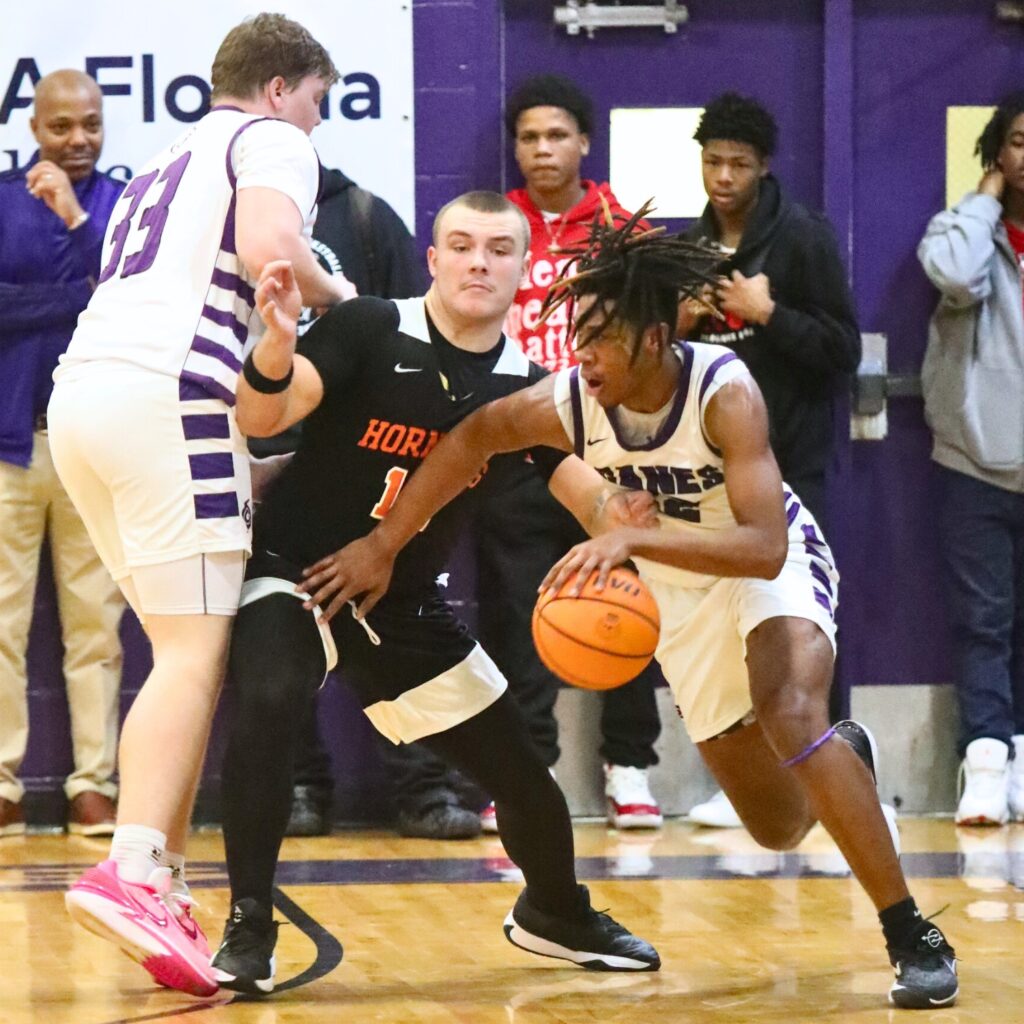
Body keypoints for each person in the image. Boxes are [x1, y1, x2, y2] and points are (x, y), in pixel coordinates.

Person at [315, 212, 959, 1011]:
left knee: (790, 709)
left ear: (654, 339)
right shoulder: (570, 400)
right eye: (576, 336)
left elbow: (762, 547)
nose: (581, 355)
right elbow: (469, 441)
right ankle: (843, 760)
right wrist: (384, 544)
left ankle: (912, 935)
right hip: (678, 594)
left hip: (767, 562)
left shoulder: (724, 392)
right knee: (777, 827)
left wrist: (629, 541)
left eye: (600, 339)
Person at [210, 191, 658, 994]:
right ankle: (250, 920)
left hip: (403, 602)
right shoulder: (370, 326)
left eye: (498, 249)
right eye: (461, 245)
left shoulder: (527, 385)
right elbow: (266, 411)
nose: (478, 262)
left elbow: (583, 491)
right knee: (269, 696)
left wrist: (624, 518)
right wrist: (275, 348)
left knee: (523, 774)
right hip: (300, 570)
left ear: (524, 267)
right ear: (434, 259)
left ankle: (556, 910)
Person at [47, 14, 352, 997]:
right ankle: (135, 868)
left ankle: (159, 879)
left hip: (83, 400)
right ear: (280, 88)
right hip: (171, 401)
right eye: (316, 102)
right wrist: (342, 297)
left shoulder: (156, 166)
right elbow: (270, 245)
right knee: (192, 653)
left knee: (178, 651)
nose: (317, 124)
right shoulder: (270, 140)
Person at [263, 170, 480, 841]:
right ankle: (299, 786)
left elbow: (415, 328)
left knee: (395, 620)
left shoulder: (362, 214)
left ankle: (423, 789)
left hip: (366, 456)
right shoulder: (225, 219)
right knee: (279, 637)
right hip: (268, 448)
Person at [483, 72, 663, 832]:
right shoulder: (496, 228)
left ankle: (631, 767)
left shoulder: (624, 228)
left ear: (585, 142)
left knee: (627, 602)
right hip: (522, 450)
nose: (542, 149)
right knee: (520, 616)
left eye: (556, 135)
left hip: (612, 451)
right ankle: (531, 772)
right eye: (528, 137)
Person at [681, 92, 861, 828]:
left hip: (792, 467)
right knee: (731, 632)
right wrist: (679, 321)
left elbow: (842, 351)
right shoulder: (688, 246)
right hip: (711, 474)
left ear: (763, 167)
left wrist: (768, 314)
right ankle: (756, 785)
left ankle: (836, 776)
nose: (723, 177)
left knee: (802, 625)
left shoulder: (803, 238)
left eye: (738, 164)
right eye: (712, 162)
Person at [0, 70, 125, 838]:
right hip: (9, 445)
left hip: (95, 448)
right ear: (33, 128)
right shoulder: (2, 200)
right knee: (1, 626)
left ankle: (94, 785)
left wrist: (79, 226)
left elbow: (128, 302)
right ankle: (2, 786)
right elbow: (94, 299)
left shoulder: (124, 205)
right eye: (61, 126)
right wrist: (79, 296)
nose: (78, 140)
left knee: (97, 628)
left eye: (90, 125)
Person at [918, 92, 1024, 827]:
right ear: (997, 153)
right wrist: (985, 200)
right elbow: (955, 276)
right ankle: (985, 762)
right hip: (975, 462)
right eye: (1018, 142)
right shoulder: (963, 230)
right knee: (983, 622)